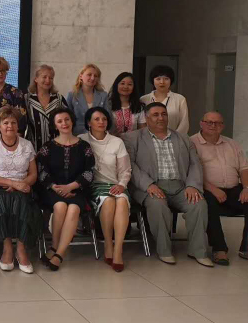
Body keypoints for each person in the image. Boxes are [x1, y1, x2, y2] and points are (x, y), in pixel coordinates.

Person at [123, 102, 212, 267]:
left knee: (198, 204)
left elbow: (195, 164)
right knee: (158, 205)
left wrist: (192, 186)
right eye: (155, 115)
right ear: (146, 118)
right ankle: (164, 250)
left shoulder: (183, 138)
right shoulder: (132, 138)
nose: (160, 118)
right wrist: (148, 185)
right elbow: (130, 165)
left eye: (163, 114)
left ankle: (198, 251)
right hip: (150, 186)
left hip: (180, 186)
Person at [0, 106, 42, 274]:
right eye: (6, 123)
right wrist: (12, 183)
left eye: (14, 122)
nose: (10, 126)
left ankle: (21, 249)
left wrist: (21, 184)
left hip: (23, 185)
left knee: (23, 200)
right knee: (0, 200)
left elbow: (33, 174)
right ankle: (7, 247)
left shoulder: (27, 144)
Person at [37, 108, 95, 271]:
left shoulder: (84, 146)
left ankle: (59, 254)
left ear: (72, 121)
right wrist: (54, 187)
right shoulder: (47, 147)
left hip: (78, 189)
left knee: (74, 208)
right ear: (55, 125)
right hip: (52, 190)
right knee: (60, 206)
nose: (64, 123)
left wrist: (72, 186)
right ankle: (55, 246)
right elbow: (41, 171)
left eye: (67, 119)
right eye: (60, 121)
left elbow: (90, 171)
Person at [190, 112, 248, 265]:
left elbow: (244, 168)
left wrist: (246, 188)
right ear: (201, 123)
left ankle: (246, 248)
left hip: (233, 188)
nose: (213, 125)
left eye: (217, 123)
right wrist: (212, 189)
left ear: (222, 126)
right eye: (209, 122)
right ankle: (219, 249)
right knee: (208, 203)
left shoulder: (232, 144)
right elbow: (191, 171)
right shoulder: (191, 143)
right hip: (205, 188)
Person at [79, 107, 131, 272]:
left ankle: (118, 250)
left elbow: (125, 170)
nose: (101, 122)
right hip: (93, 186)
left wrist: (122, 184)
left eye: (104, 119)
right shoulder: (81, 140)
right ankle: (108, 243)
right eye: (97, 119)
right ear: (89, 123)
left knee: (121, 201)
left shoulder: (117, 142)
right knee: (108, 201)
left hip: (116, 184)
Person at [25, 64, 68, 152]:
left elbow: (68, 121)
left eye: (51, 78)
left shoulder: (59, 99)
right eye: (44, 77)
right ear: (36, 79)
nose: (48, 80)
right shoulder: (27, 99)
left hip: (56, 147)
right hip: (33, 148)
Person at [0, 56, 26, 137]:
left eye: (3, 70)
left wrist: (15, 141)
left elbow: (21, 119)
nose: (0, 73)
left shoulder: (16, 92)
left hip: (9, 137)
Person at [140, 65, 189, 134]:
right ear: (153, 80)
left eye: (166, 79)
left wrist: (174, 138)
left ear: (171, 80)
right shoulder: (144, 99)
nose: (162, 82)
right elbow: (141, 123)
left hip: (174, 138)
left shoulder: (180, 99)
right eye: (158, 79)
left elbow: (184, 124)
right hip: (149, 139)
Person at [66, 64, 108, 135]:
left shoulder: (104, 95)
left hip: (99, 135)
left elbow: (108, 117)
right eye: (89, 74)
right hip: (77, 135)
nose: (92, 78)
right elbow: (67, 118)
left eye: (95, 76)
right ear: (81, 76)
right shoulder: (72, 95)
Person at [107, 72, 146, 136]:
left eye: (130, 84)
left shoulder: (139, 106)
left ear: (134, 87)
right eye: (122, 83)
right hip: (112, 140)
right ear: (116, 85)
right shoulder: (108, 105)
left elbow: (142, 130)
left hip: (133, 141)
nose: (125, 87)